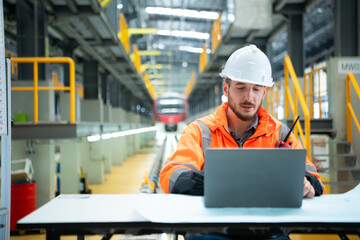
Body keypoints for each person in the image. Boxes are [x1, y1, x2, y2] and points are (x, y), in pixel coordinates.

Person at [159, 45, 325, 240]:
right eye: (241, 88)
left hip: (266, 232)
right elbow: (171, 176)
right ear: (226, 88)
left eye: (256, 89)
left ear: (264, 93)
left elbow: (315, 179)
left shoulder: (280, 134)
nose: (249, 97)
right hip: (211, 230)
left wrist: (306, 183)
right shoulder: (200, 131)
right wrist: (213, 183)